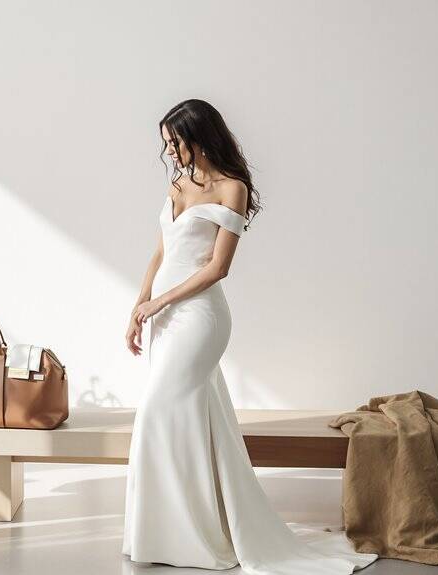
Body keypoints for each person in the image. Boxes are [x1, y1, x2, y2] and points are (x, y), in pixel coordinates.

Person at [121, 99, 378, 574]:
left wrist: (161, 301)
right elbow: (159, 252)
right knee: (187, 420)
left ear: (200, 137)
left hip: (198, 318)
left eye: (176, 141)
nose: (171, 151)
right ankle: (163, 532)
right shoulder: (176, 184)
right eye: (167, 144)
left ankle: (192, 538)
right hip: (162, 317)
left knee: (161, 412)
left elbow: (218, 268)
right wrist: (139, 305)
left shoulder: (231, 189)